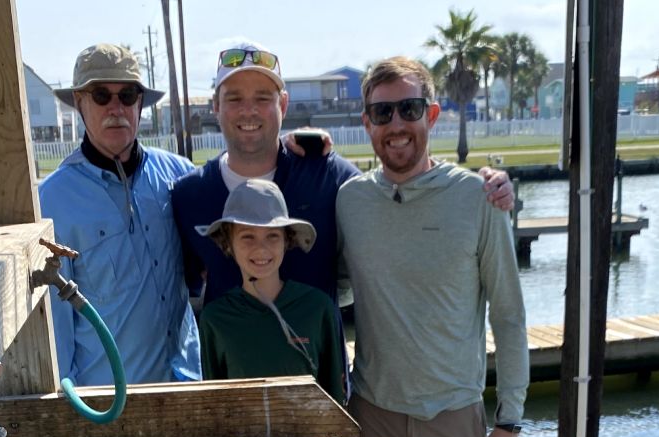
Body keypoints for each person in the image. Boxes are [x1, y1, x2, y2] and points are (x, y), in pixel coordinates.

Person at [335, 56, 530, 437]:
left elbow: (510, 314)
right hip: (375, 418)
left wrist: (510, 421)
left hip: (455, 422)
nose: (397, 124)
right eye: (383, 111)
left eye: (410, 109)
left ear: (433, 115)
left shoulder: (478, 198)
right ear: (366, 122)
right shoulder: (348, 201)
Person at [171, 41, 516, 307]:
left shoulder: (329, 175)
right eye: (233, 98)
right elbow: (180, 290)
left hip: (325, 388)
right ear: (214, 105)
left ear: (284, 104)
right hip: (232, 392)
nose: (248, 110)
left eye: (263, 97)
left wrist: (481, 186)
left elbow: (403, 182)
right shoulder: (188, 196)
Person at [41, 43, 200, 385]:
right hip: (109, 399)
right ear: (79, 104)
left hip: (187, 384)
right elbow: (55, 323)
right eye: (101, 95)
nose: (116, 107)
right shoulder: (51, 200)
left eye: (127, 95)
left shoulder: (181, 175)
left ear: (140, 103)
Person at [195, 179, 345, 402]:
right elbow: (215, 402)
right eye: (247, 236)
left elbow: (335, 397)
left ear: (287, 240)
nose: (261, 248)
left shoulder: (317, 307)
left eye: (272, 235)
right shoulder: (215, 318)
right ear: (227, 243)